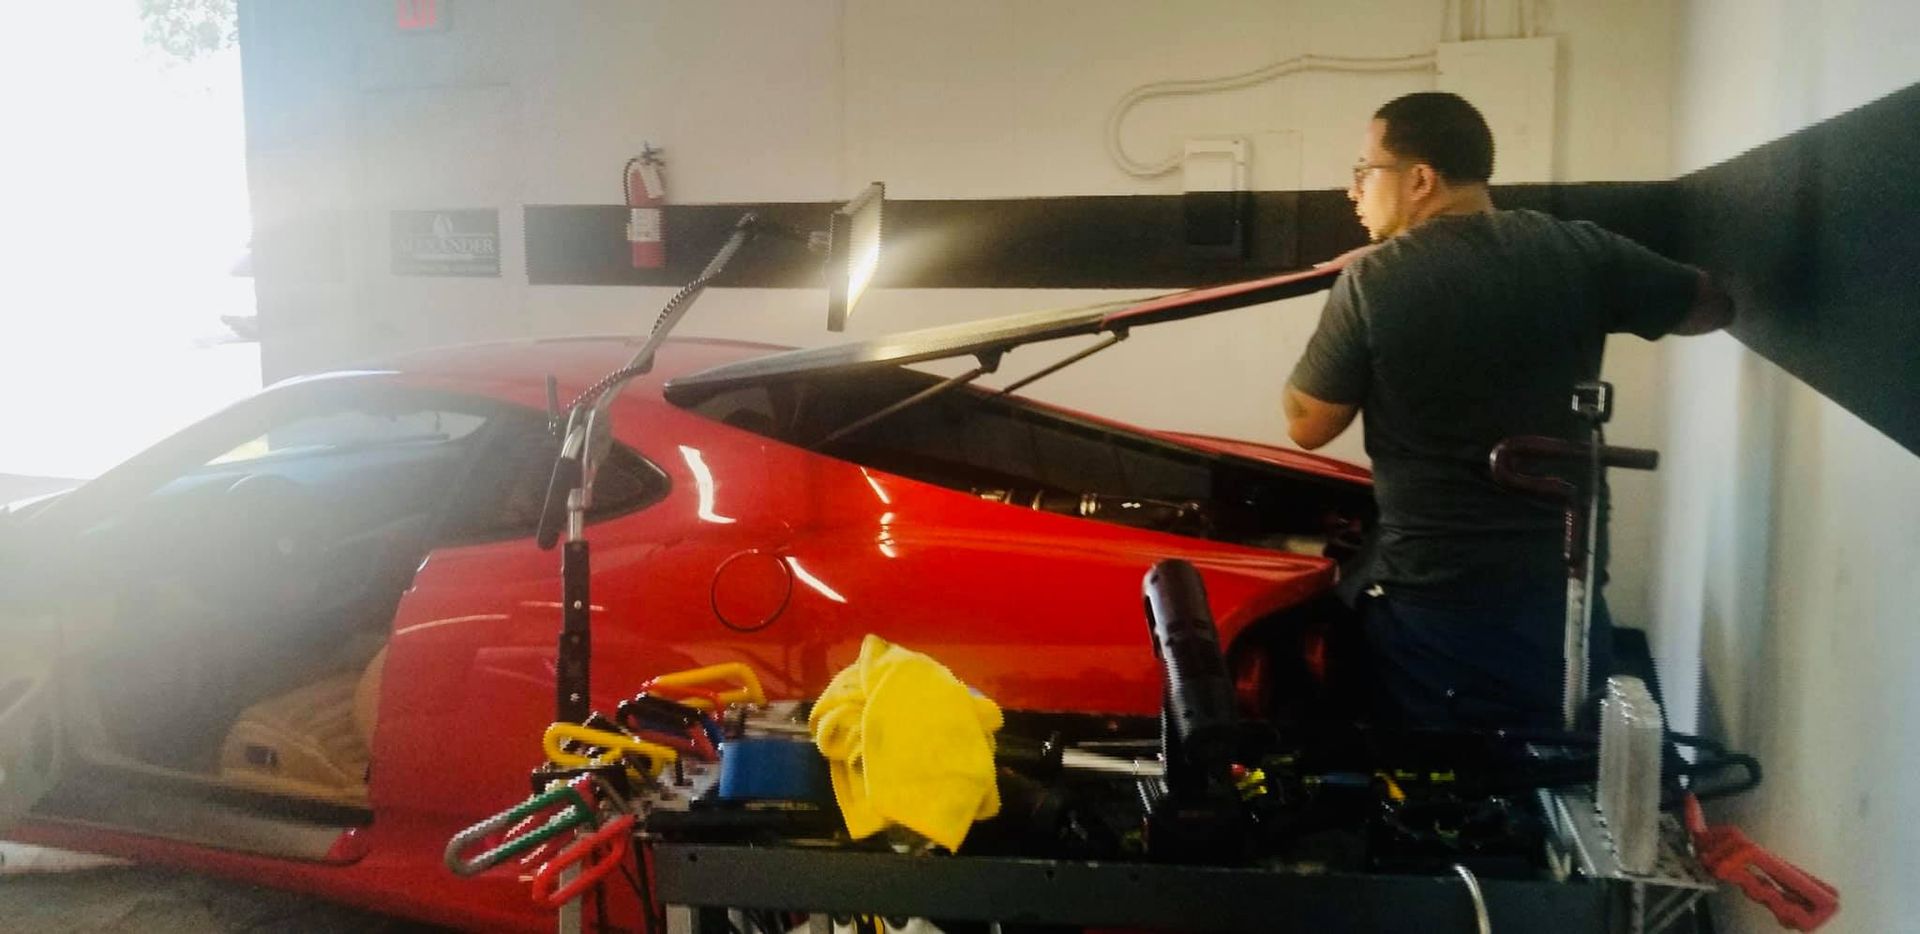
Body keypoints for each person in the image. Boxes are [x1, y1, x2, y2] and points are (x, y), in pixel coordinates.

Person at [1284, 92, 1733, 729]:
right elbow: (1711, 307)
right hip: (1564, 591)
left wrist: (1360, 283)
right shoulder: (1579, 251)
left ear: (1419, 179)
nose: (1354, 192)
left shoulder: (1372, 282)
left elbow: (1307, 423)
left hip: (1436, 607)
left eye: (1364, 172)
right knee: (1564, 760)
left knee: (1442, 787)